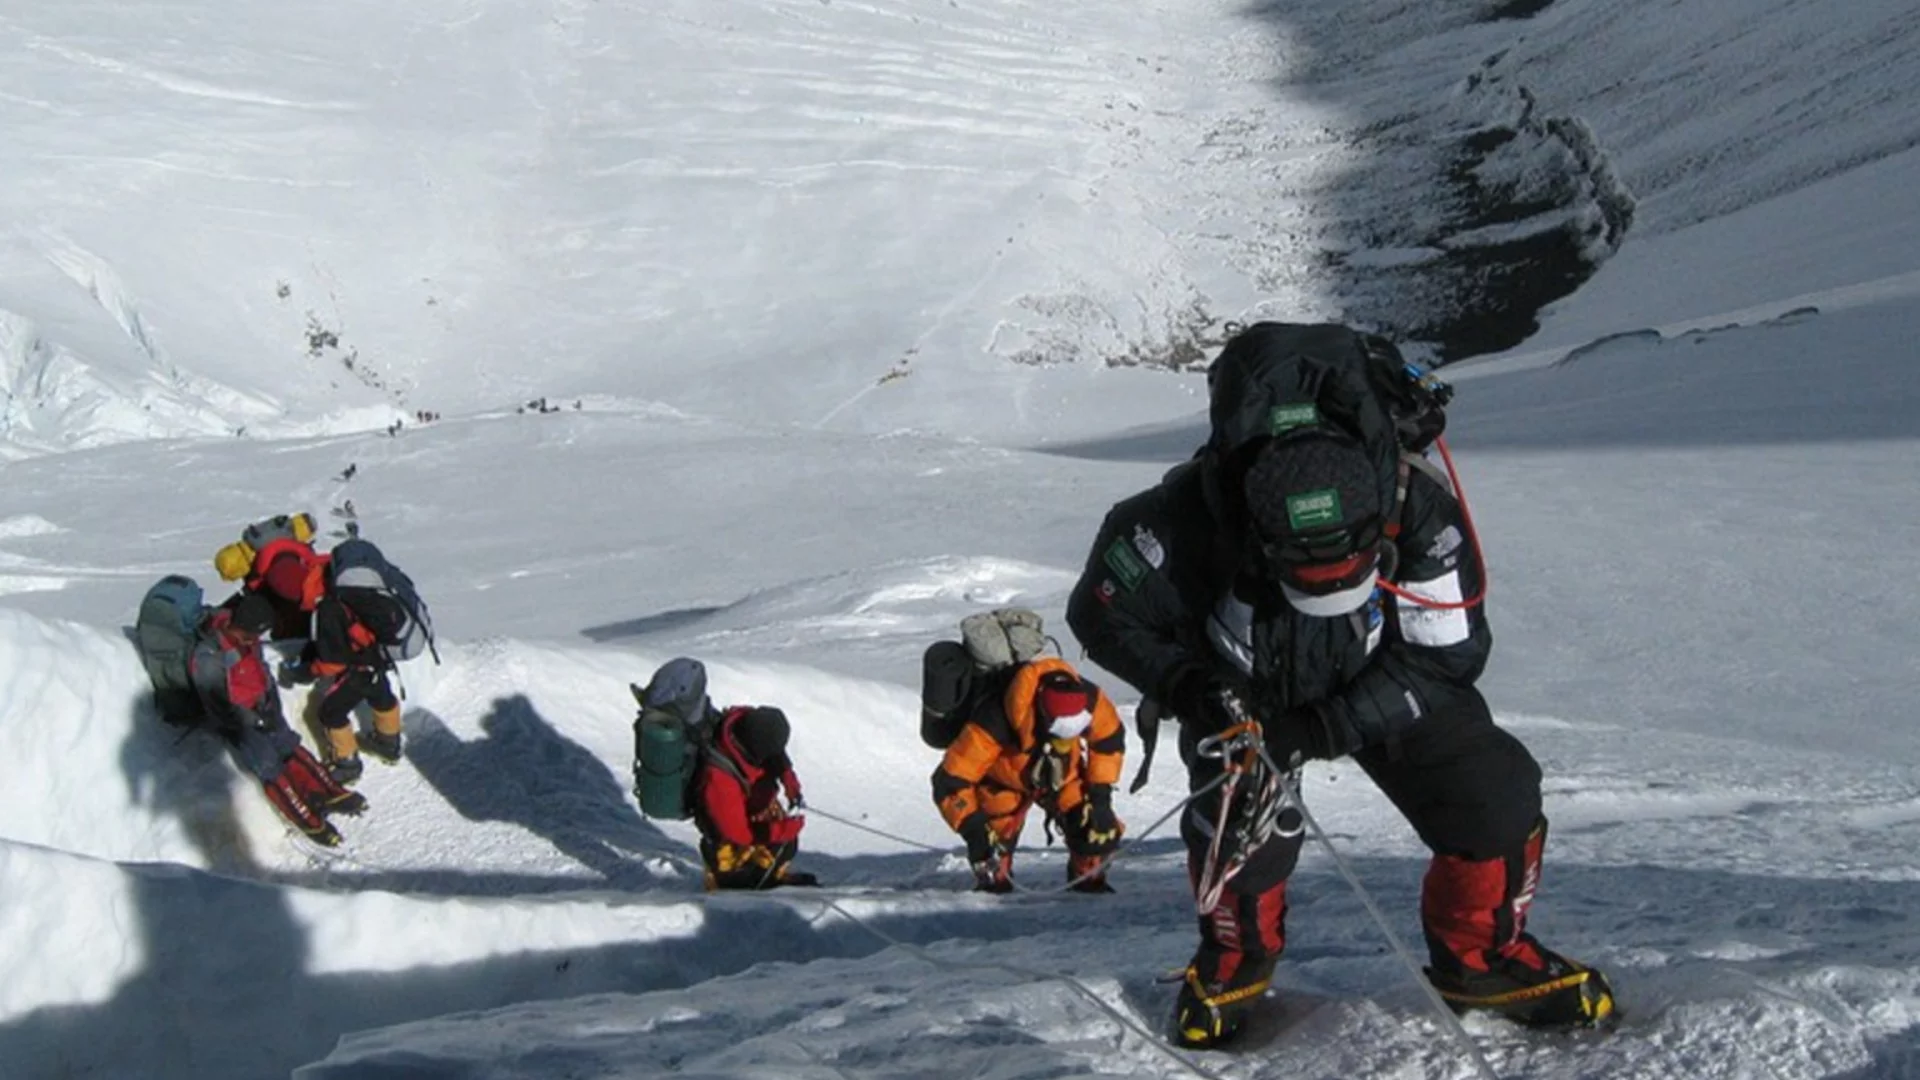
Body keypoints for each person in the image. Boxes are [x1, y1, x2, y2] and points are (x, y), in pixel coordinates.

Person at [1064, 322, 1613, 1047]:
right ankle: (1235, 960)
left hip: (1379, 671)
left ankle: (1482, 960)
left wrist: (1326, 726)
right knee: (1239, 828)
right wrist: (1196, 689)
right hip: (1241, 691)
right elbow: (1101, 615)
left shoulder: (1417, 506)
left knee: (1494, 793)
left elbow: (1447, 654)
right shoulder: (1176, 523)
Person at [930, 659, 1127, 894]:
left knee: (1096, 829)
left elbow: (1108, 740)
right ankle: (995, 881)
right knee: (993, 864)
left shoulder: (1089, 698)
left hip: (1063, 778)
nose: (1064, 743)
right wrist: (974, 832)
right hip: (1001, 785)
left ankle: (1088, 875)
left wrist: (1101, 798)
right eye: (1059, 735)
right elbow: (950, 781)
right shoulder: (994, 720)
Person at [193, 592, 366, 845]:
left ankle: (326, 790)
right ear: (238, 626)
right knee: (268, 764)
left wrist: (270, 703)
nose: (255, 640)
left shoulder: (246, 638)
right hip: (241, 721)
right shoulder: (209, 655)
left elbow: (260, 670)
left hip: (263, 707)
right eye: (251, 635)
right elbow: (217, 704)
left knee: (288, 743)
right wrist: (248, 719)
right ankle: (305, 817)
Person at [693, 705, 817, 890]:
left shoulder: (746, 724)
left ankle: (772, 874)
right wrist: (785, 829)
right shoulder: (720, 780)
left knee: (784, 846)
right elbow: (739, 833)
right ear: (756, 751)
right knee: (750, 871)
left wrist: (789, 779)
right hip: (727, 836)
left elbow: (775, 751)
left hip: (752, 808)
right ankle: (728, 883)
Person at [304, 583, 405, 785]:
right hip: (378, 662)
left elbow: (332, 663)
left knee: (331, 713)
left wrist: (308, 670)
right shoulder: (367, 594)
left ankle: (347, 765)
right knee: (381, 696)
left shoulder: (331, 607)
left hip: (357, 671)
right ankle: (389, 743)